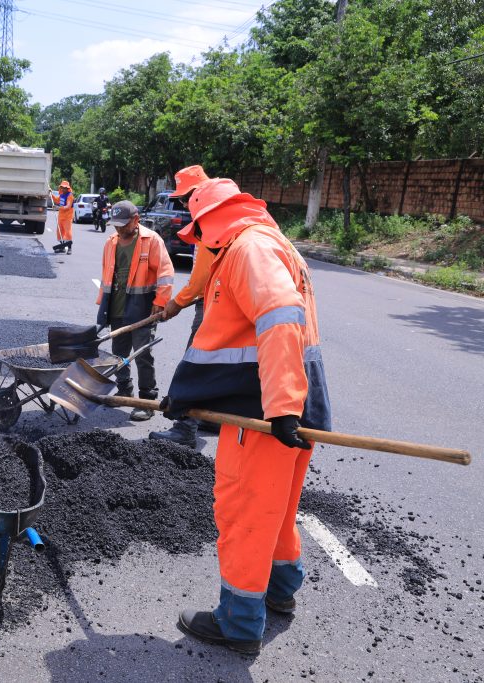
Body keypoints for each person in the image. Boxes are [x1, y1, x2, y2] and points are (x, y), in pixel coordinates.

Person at [161, 178, 331, 654]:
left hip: (263, 408)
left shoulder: (248, 250)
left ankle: (238, 621)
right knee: (277, 510)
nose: (200, 238)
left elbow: (278, 316)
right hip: (297, 401)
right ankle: (279, 593)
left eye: (199, 228)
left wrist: (279, 408)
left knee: (244, 512)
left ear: (211, 220)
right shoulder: (272, 242)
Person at [149, 165, 213, 448]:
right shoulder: (218, 217)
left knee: (195, 362)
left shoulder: (212, 222)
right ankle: (212, 416)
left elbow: (200, 278)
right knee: (224, 363)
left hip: (218, 303)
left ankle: (185, 426)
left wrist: (175, 303)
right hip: (222, 299)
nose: (185, 204)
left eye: (187, 197)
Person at [96, 200, 175, 420]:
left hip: (142, 308)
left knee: (142, 355)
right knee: (119, 354)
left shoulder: (151, 240)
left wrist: (160, 301)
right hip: (117, 307)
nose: (119, 229)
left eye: (123, 224)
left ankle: (147, 401)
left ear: (136, 220)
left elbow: (166, 274)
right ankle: (124, 390)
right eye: (116, 225)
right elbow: (107, 275)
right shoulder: (111, 242)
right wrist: (103, 305)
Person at [51, 180, 75, 253]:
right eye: (62, 187)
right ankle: (62, 247)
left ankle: (69, 248)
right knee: (60, 232)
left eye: (65, 188)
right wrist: (51, 193)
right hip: (61, 216)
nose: (63, 189)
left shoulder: (69, 196)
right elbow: (57, 200)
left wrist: (58, 208)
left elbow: (68, 206)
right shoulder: (61, 195)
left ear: (68, 188)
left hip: (67, 217)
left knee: (68, 232)